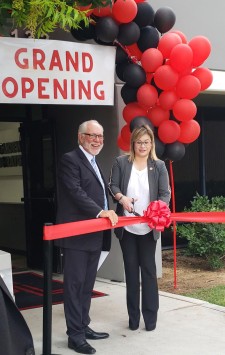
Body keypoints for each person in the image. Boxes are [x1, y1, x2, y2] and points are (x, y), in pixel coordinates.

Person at [55, 120, 118, 355]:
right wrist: (101, 212)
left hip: (94, 234)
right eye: (93, 136)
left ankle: (83, 326)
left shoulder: (93, 161)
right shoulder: (70, 159)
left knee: (86, 285)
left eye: (101, 137)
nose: (98, 140)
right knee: (74, 285)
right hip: (76, 235)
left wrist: (118, 200)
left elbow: (101, 191)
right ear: (80, 137)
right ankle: (75, 336)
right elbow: (75, 192)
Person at [108, 125, 171, 332]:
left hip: (148, 228)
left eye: (146, 142)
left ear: (151, 144)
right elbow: (113, 186)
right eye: (139, 142)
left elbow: (165, 194)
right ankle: (133, 319)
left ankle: (150, 319)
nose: (142, 146)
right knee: (131, 273)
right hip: (127, 229)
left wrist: (157, 210)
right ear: (132, 143)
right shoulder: (121, 163)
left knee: (149, 273)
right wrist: (122, 198)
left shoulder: (159, 166)